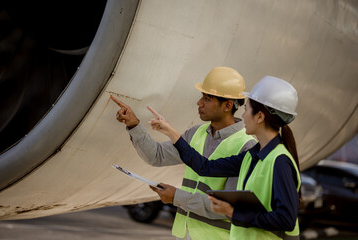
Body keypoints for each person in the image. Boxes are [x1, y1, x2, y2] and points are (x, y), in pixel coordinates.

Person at [148, 76, 301, 240]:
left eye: (246, 109)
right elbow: (205, 167)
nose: (243, 116)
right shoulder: (252, 155)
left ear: (260, 117)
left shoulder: (280, 161)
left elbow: (286, 220)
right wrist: (171, 133)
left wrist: (233, 212)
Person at [112, 66, 256, 240]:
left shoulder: (246, 145)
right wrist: (134, 125)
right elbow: (156, 156)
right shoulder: (196, 133)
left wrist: (176, 197)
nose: (199, 103)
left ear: (227, 105)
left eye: (207, 98)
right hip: (187, 235)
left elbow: (227, 208)